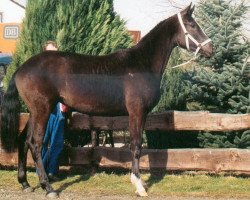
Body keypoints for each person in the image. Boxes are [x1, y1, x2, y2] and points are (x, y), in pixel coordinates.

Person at [41, 41, 68, 181]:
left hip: (59, 110)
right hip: (46, 110)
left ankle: (53, 171)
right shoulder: (41, 71)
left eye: (56, 51)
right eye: (51, 52)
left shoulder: (61, 71)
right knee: (44, 140)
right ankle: (42, 171)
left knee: (57, 141)